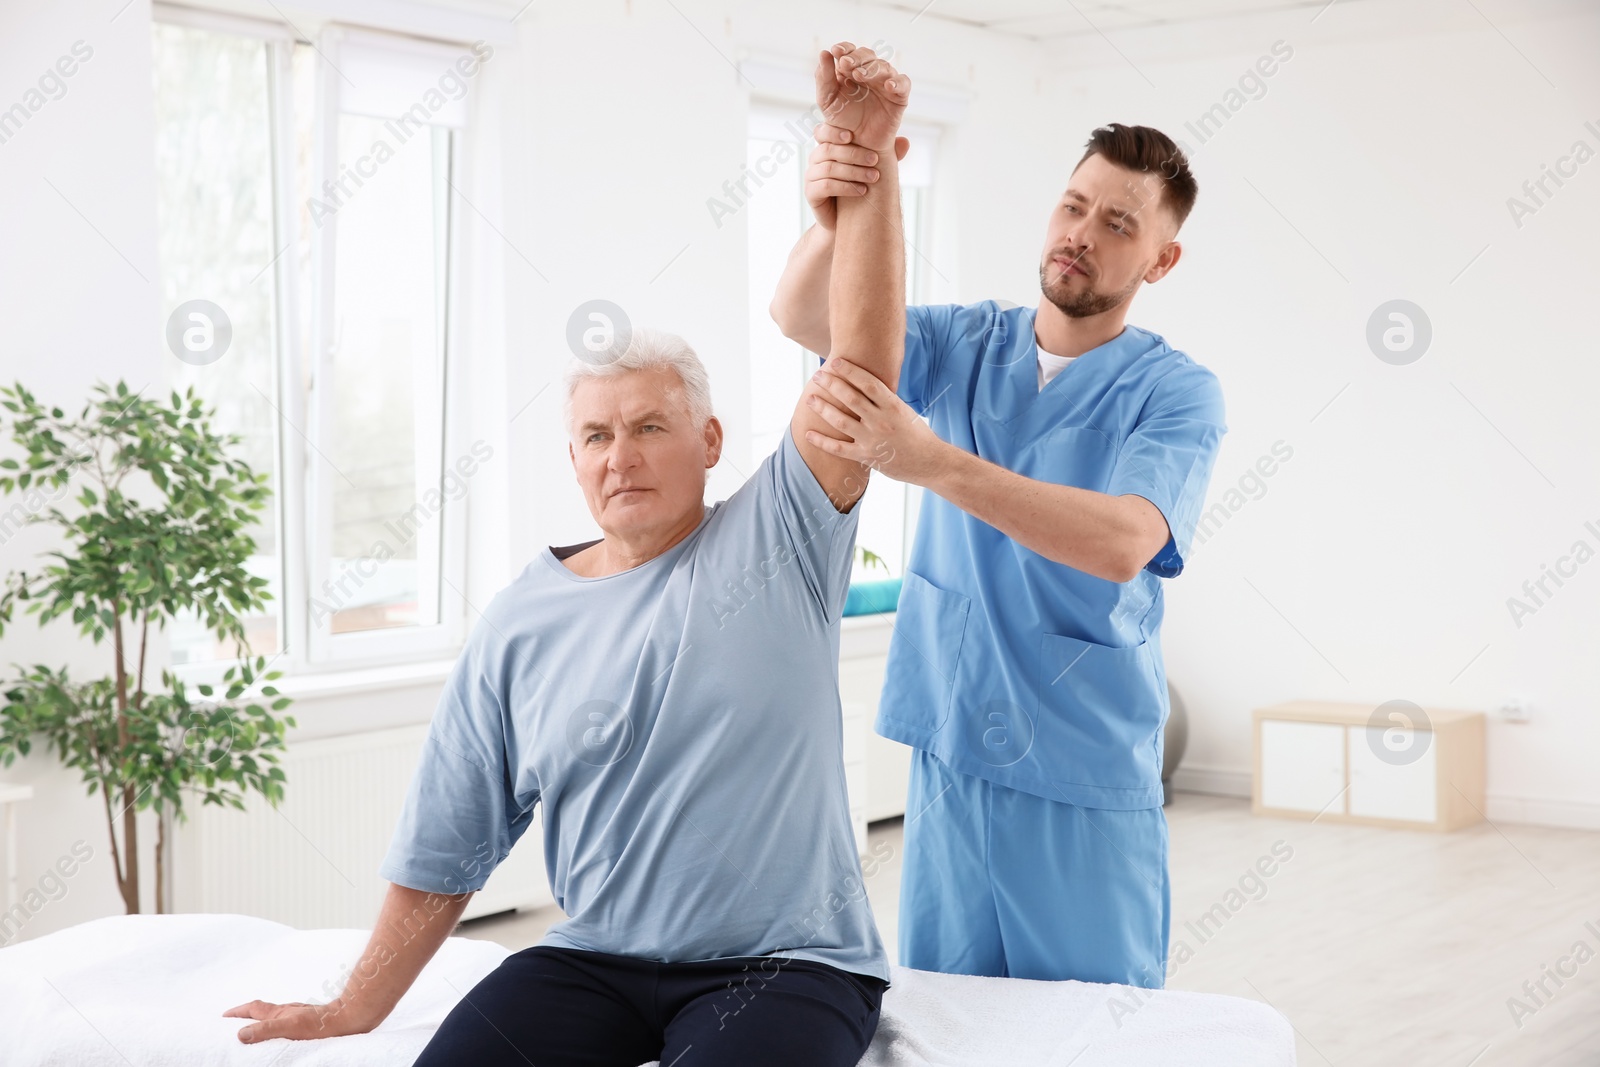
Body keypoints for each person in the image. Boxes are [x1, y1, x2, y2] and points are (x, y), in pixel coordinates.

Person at [223, 41, 911, 1066]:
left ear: (710, 441)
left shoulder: (780, 535)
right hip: (595, 958)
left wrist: (864, 162)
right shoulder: (520, 621)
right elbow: (445, 844)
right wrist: (355, 1006)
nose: (619, 455)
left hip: (788, 959)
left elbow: (857, 367)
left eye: (648, 426)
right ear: (572, 456)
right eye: (596, 434)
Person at [771, 121, 1226, 990]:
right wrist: (836, 218)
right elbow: (802, 317)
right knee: (945, 1017)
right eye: (1073, 205)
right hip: (950, 746)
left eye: (1119, 225)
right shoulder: (968, 341)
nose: (1081, 234)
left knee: (1091, 1033)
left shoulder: (1176, 392)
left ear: (1160, 262)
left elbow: (1125, 540)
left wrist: (928, 459)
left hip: (1079, 768)